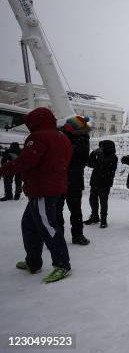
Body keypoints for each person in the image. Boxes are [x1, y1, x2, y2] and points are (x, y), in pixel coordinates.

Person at [0, 107, 72, 283]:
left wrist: (3, 170)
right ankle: (33, 262)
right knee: (29, 224)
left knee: (47, 226)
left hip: (42, 190)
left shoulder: (38, 137)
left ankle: (62, 264)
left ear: (36, 122)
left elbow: (27, 161)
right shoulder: (62, 137)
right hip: (51, 187)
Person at [56, 116, 91, 246]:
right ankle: (58, 237)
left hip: (72, 181)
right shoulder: (64, 137)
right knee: (58, 210)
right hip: (64, 180)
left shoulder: (82, 140)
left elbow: (78, 158)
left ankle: (77, 235)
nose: (66, 128)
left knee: (74, 210)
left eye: (68, 126)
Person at [85, 140, 118, 228]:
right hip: (95, 181)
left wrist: (97, 155)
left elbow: (104, 166)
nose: (101, 148)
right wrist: (93, 154)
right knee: (92, 200)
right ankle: (94, 216)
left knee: (103, 201)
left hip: (105, 183)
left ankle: (103, 219)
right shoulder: (100, 155)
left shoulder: (113, 157)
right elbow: (90, 164)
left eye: (103, 146)